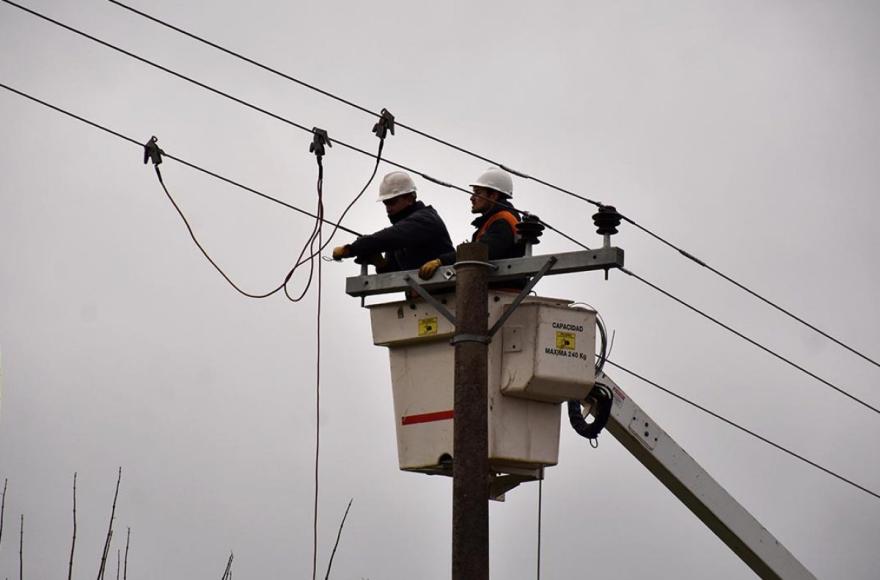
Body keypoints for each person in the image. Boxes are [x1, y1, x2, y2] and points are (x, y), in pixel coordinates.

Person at [332, 171, 454, 273]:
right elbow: (393, 272)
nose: (388, 208)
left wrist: (352, 249)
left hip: (448, 294)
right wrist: (380, 263)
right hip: (421, 297)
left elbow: (387, 238)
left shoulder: (425, 220)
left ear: (410, 198)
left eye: (392, 202)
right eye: (385, 203)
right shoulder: (399, 236)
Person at [418, 167, 524, 280]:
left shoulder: (503, 220)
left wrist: (442, 261)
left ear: (493, 196)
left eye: (477, 193)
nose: (472, 198)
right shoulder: (493, 221)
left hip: (502, 291)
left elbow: (479, 252)